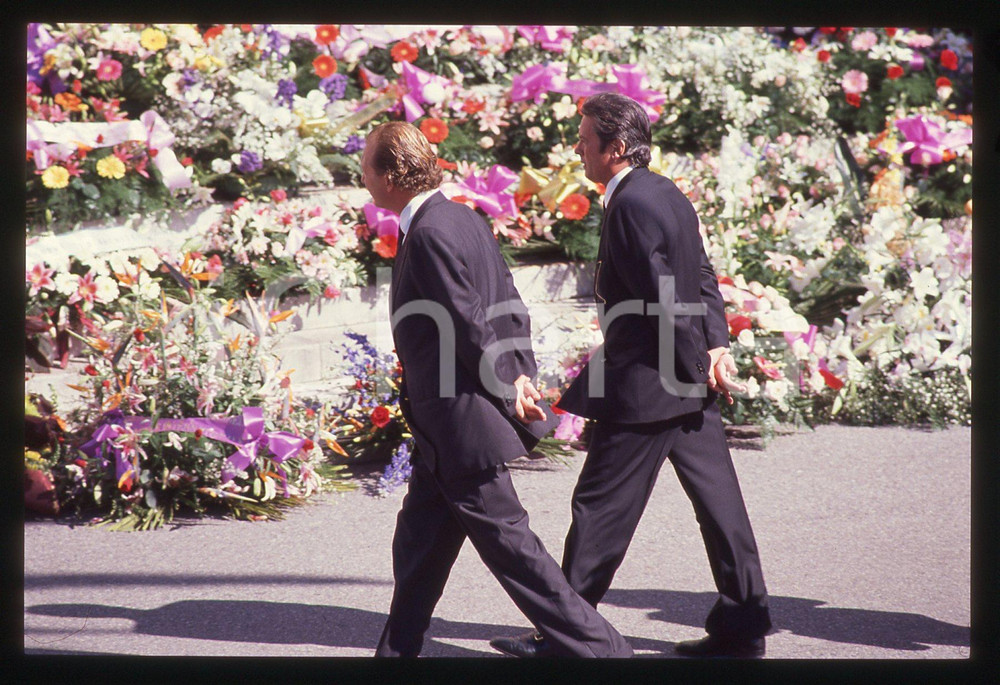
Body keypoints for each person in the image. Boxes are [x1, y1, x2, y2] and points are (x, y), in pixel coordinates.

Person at [489, 93, 772, 659]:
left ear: (615, 148)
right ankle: (743, 628)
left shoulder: (633, 203)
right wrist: (714, 348)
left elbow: (664, 296)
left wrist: (698, 358)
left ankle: (567, 635)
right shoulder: (665, 191)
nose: (577, 147)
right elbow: (704, 277)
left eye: (585, 138)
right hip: (686, 381)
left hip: (649, 386)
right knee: (721, 508)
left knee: (599, 510)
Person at [364, 121, 633, 658]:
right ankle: (395, 654)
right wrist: (521, 371)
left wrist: (509, 383)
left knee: (515, 552)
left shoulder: (433, 231)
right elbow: (508, 303)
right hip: (446, 427)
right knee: (418, 546)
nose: (362, 176)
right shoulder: (460, 217)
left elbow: (466, 319)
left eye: (367, 166)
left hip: (460, 424)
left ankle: (605, 652)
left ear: (391, 174)